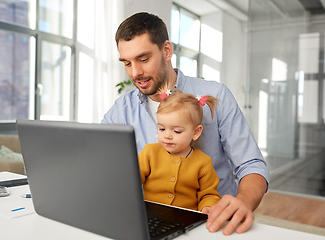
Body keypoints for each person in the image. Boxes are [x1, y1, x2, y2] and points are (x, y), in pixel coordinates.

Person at [101, 12, 270, 235]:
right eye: (127, 63)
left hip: (212, 223)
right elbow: (99, 166)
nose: (135, 73)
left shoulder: (215, 95)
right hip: (150, 222)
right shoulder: (121, 110)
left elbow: (251, 165)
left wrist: (244, 200)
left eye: (143, 59)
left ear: (167, 51)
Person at [139, 88, 221, 212]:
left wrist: (207, 207)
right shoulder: (150, 152)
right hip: (151, 215)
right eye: (161, 129)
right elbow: (131, 179)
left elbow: (209, 195)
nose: (167, 136)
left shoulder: (203, 162)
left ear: (196, 132)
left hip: (187, 221)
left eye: (177, 131)